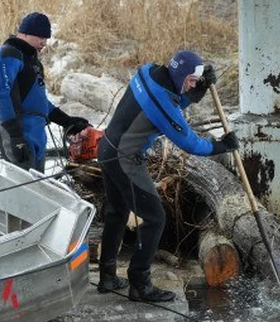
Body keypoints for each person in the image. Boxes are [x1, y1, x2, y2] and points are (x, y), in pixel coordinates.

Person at [96, 49, 239, 302]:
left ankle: (107, 276)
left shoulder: (148, 71)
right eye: (192, 80)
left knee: (116, 212)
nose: (193, 85)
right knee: (155, 218)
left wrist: (198, 90)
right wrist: (222, 146)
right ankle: (139, 284)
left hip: (107, 146)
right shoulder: (161, 101)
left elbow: (170, 100)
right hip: (124, 159)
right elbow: (190, 144)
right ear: (181, 74)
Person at [0, 11, 92, 172]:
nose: (44, 43)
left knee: (38, 189)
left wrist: (68, 121)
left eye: (46, 39)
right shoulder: (8, 54)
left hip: (37, 135)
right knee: (22, 191)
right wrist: (16, 136)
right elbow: (1, 96)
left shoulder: (33, 62)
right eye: (40, 37)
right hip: (19, 132)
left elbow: (38, 101)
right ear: (25, 34)